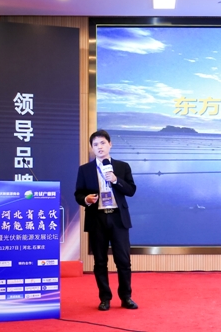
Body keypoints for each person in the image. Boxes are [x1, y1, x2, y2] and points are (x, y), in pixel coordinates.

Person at [75, 129, 138, 311]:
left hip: (118, 218)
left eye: (102, 143)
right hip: (97, 219)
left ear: (110, 144)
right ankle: (105, 298)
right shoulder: (85, 170)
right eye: (95, 144)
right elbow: (78, 194)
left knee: (123, 261)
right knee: (100, 261)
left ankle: (126, 297)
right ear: (92, 148)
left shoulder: (122, 167)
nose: (99, 147)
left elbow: (131, 190)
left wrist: (116, 180)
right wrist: (86, 199)